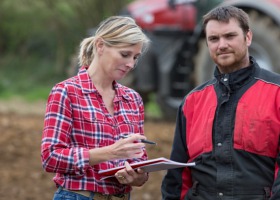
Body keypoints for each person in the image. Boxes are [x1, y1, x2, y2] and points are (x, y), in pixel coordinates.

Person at [161, 5, 280, 200]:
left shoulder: (276, 93)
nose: (221, 45)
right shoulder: (192, 102)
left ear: (248, 37)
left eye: (230, 36)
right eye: (214, 39)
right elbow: (177, 175)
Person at [41, 16, 150, 200]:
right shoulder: (66, 92)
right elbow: (51, 157)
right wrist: (110, 153)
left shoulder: (133, 99)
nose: (131, 64)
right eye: (125, 54)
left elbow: (139, 158)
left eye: (135, 57)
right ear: (100, 46)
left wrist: (138, 176)